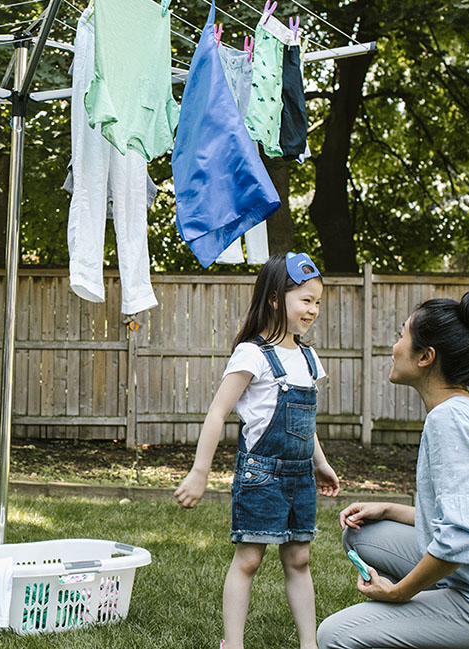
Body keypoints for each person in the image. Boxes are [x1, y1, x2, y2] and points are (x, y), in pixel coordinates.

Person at [319, 290, 469, 649]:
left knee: (335, 635)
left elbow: (467, 536)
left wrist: (400, 593)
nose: (394, 346)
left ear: (425, 356)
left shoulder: (448, 420)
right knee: (362, 535)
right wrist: (388, 508)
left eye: (402, 335)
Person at [174, 252, 341, 649]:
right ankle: (232, 644)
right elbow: (217, 413)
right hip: (261, 473)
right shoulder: (252, 353)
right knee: (249, 559)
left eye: (317, 302)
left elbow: (307, 422)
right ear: (274, 299)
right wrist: (200, 472)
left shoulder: (308, 357)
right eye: (305, 300)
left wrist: (320, 463)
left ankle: (309, 644)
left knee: (299, 559)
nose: (313, 309)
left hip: (300, 476)